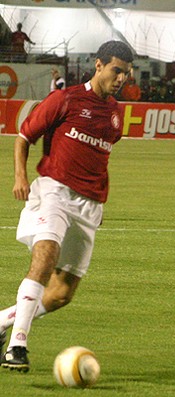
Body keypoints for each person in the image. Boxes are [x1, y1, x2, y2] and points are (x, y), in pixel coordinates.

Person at [0, 40, 133, 372]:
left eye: (126, 74)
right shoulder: (65, 98)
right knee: (46, 255)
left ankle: (2, 320)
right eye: (117, 70)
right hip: (54, 191)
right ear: (99, 65)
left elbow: (100, 155)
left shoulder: (115, 113)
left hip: (89, 205)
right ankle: (17, 345)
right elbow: (23, 138)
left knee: (61, 293)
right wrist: (20, 177)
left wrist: (97, 202)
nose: (121, 79)